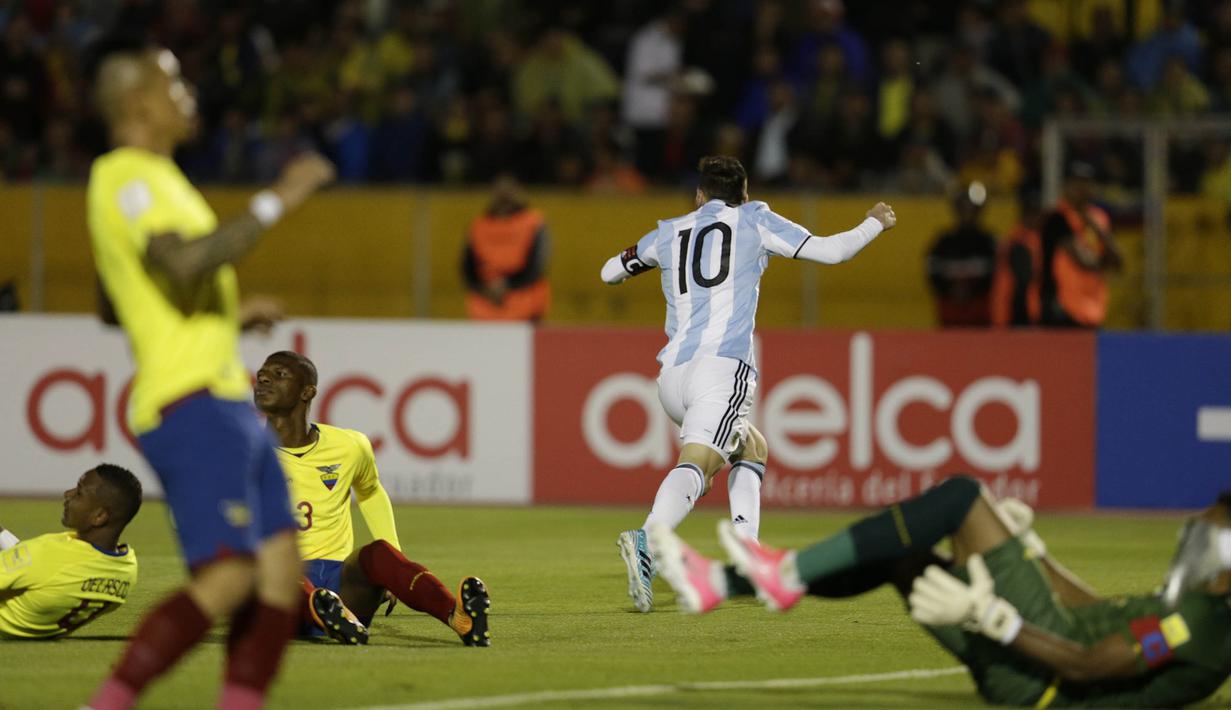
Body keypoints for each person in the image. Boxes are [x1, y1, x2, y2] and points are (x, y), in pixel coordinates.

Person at [86, 43, 334, 710]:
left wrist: (223, 312)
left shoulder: (161, 181)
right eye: (173, 83)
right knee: (230, 575)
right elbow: (184, 263)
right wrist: (279, 198)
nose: (188, 92)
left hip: (222, 395)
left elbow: (116, 299)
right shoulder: (126, 176)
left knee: (281, 577)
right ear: (139, 103)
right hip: (186, 398)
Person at [600, 155, 897, 612]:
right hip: (721, 371)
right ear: (745, 194)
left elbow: (609, 271)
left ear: (699, 195)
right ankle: (649, 540)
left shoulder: (668, 231)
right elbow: (833, 251)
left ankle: (748, 555)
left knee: (751, 447)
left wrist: (635, 264)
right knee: (700, 460)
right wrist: (874, 223)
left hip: (671, 376)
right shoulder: (754, 219)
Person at [650, 482, 1231, 707]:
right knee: (902, 557)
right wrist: (1032, 549)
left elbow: (1086, 665)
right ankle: (720, 584)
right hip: (1039, 656)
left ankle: (788, 573)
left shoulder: (1201, 627)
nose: (1196, 532)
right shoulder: (1196, 606)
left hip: (1043, 679)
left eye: (1211, 528)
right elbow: (1091, 612)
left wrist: (993, 619)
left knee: (960, 497)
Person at [254, 351, 491, 647]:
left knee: (379, 553)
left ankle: (459, 618)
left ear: (307, 392)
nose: (263, 378)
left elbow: (371, 492)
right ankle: (324, 613)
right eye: (262, 373)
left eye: (279, 374)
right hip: (283, 594)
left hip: (341, 587)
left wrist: (395, 563)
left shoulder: (349, 446)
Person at [0, 465, 142, 639]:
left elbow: (39, 564)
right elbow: (38, 572)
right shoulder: (127, 569)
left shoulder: (49, 554)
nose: (68, 494)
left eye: (79, 493)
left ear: (99, 516)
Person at [1040, 161, 1122, 328]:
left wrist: (1097, 229)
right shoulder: (1057, 219)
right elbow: (1084, 261)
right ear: (1065, 186)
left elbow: (1118, 261)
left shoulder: (1099, 218)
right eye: (1076, 183)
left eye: (1086, 183)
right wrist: (1105, 261)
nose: (1081, 189)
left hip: (1093, 306)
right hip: (1062, 309)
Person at [461, 175, 551, 322]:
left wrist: (507, 285)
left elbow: (537, 265)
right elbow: (467, 267)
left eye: (508, 191)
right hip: (484, 306)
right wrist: (486, 288)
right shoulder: (479, 226)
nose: (504, 195)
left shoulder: (533, 222)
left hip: (526, 304)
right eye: (500, 191)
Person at [926, 182, 998, 327]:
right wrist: (951, 291)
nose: (968, 213)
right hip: (950, 315)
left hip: (980, 315)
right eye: (963, 208)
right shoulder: (943, 243)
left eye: (972, 209)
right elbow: (933, 273)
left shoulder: (989, 243)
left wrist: (972, 291)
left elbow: (997, 276)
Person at [991, 193, 1043, 327]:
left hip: (1013, 305)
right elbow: (1024, 279)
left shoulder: (1020, 238)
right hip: (1017, 307)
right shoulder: (1020, 241)